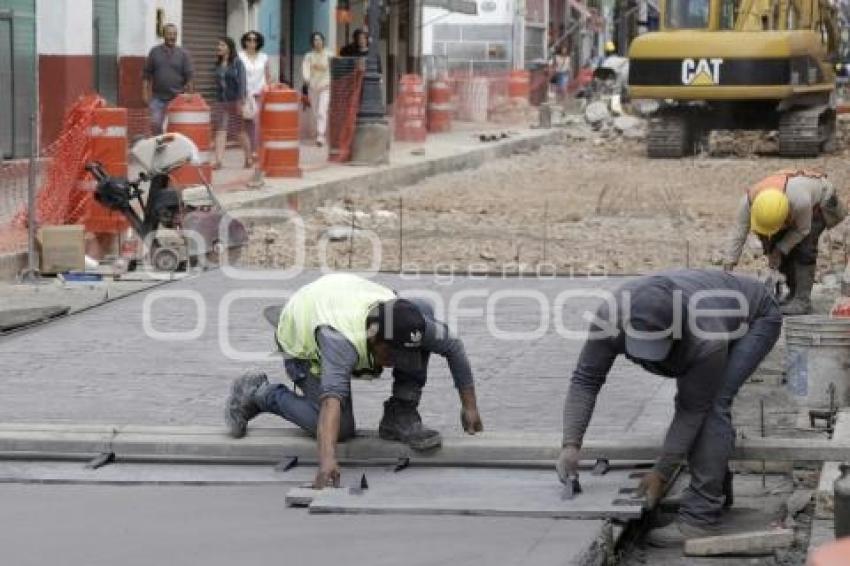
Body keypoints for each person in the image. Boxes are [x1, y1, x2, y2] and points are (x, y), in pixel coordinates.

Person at [556, 269, 782, 547]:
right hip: (723, 309)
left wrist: (662, 472)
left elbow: (691, 410)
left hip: (757, 317)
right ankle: (714, 490)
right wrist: (570, 442)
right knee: (702, 405)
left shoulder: (705, 336)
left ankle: (700, 516)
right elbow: (586, 379)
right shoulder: (610, 317)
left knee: (712, 405)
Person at [225, 273, 484, 488]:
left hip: (340, 298)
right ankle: (259, 392)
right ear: (373, 338)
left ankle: (400, 414)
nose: (398, 361)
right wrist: (327, 462)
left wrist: (469, 407)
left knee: (423, 310)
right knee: (341, 430)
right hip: (302, 335)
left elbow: (454, 348)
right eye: (392, 354)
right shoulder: (341, 341)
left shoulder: (407, 322)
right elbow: (331, 401)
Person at [724, 169, 847, 315]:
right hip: (793, 206)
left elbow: (802, 230)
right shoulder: (748, 203)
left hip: (820, 202)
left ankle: (802, 301)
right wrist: (729, 265)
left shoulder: (800, 202)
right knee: (778, 247)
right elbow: (738, 233)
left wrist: (780, 248)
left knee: (803, 248)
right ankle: (793, 294)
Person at [142, 23, 194, 135]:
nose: (172, 37)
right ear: (163, 35)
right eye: (169, 34)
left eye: (175, 34)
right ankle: (160, 145)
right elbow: (147, 74)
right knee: (155, 123)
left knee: (175, 128)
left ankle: (173, 149)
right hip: (158, 98)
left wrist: (190, 94)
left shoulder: (183, 54)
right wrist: (145, 93)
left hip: (177, 98)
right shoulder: (154, 52)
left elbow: (189, 76)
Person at [211, 37, 246, 170]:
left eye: (222, 45)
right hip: (221, 102)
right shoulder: (218, 64)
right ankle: (219, 161)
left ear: (229, 48)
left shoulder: (237, 63)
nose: (218, 47)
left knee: (239, 132)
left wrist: (240, 101)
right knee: (221, 130)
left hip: (235, 101)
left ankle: (248, 157)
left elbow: (243, 83)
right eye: (218, 45)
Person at [239, 30, 271, 166]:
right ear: (245, 41)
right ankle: (249, 153)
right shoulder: (240, 57)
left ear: (258, 42)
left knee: (257, 122)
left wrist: (268, 88)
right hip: (245, 93)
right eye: (249, 39)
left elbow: (268, 75)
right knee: (247, 124)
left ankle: (255, 150)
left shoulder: (264, 57)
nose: (252, 42)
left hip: (260, 93)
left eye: (255, 40)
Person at [301, 32, 332, 147]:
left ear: (323, 41)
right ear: (312, 42)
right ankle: (318, 131)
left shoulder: (329, 55)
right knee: (315, 112)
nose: (317, 42)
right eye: (315, 40)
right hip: (313, 87)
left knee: (322, 111)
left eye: (319, 40)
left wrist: (331, 82)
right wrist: (307, 79)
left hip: (326, 86)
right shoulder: (309, 56)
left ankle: (320, 135)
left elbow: (332, 70)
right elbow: (305, 69)